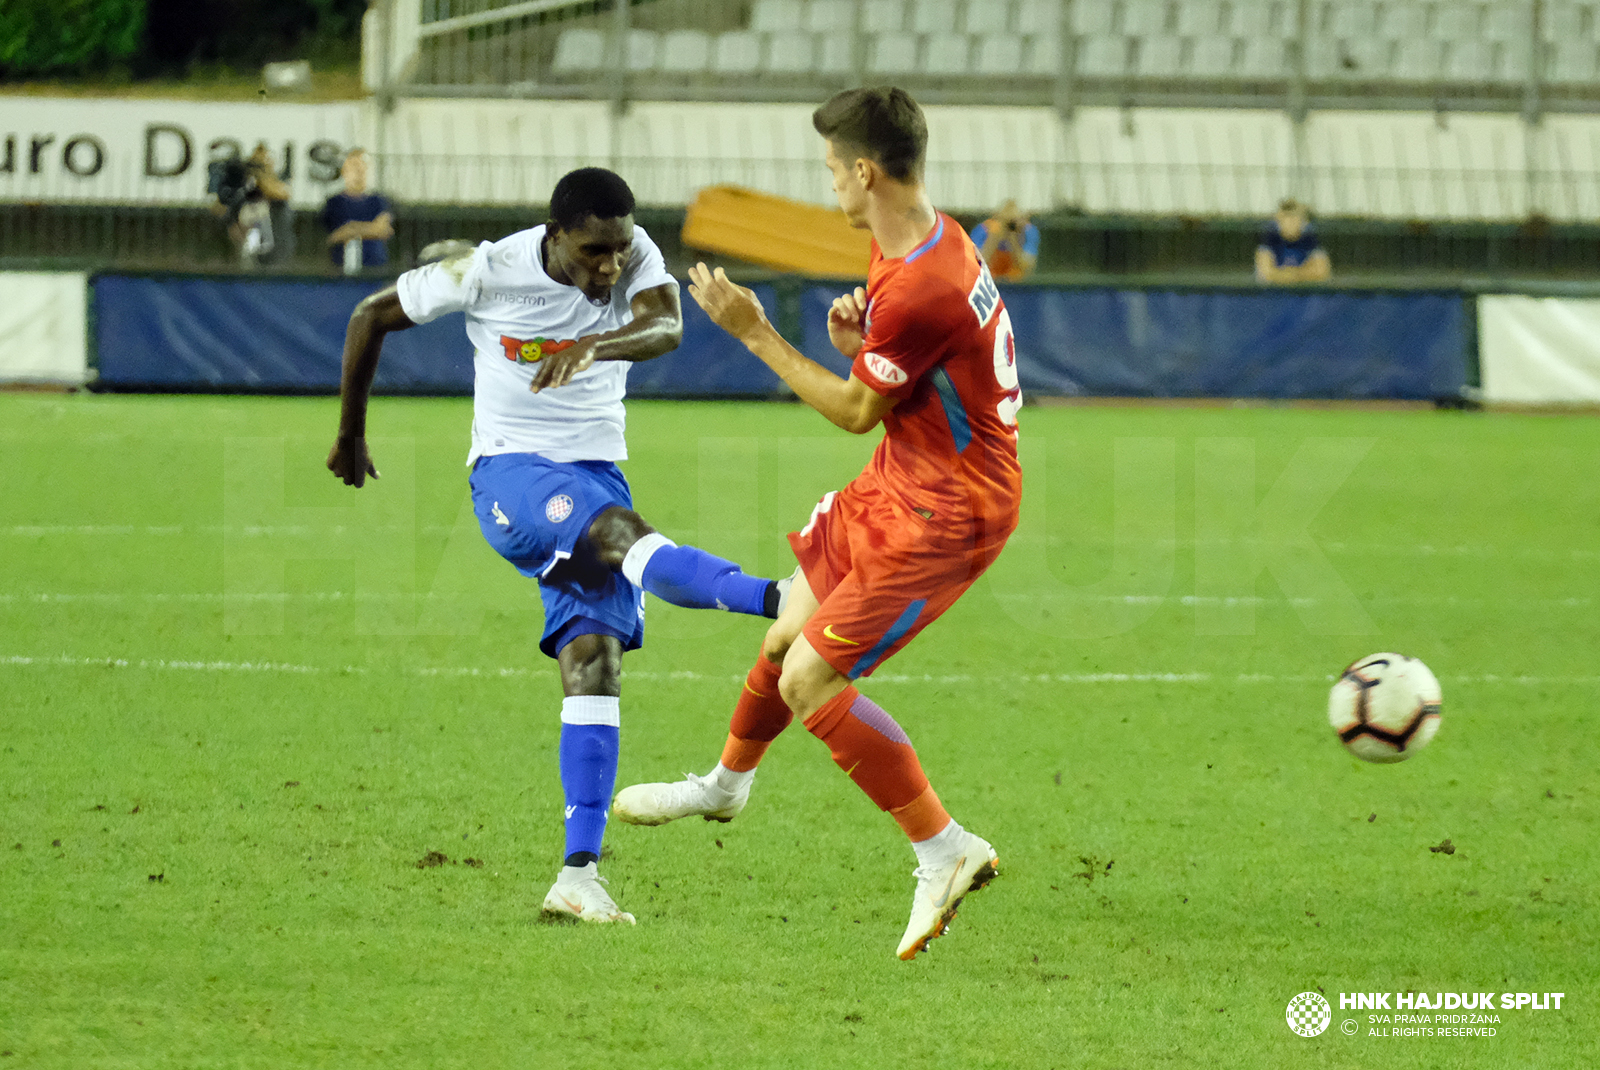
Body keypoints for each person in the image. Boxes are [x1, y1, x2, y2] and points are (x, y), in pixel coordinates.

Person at [613, 87, 1024, 961]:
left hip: (949, 509)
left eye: (833, 167)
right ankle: (725, 786)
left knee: (809, 681)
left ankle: (944, 849)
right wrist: (860, 340)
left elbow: (853, 410)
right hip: (906, 477)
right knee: (782, 639)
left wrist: (756, 331)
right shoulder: (921, 241)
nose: (827, 180)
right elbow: (902, 375)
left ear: (865, 171)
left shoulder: (921, 279)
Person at [325, 167, 789, 926]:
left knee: (593, 661)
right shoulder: (486, 269)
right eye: (591, 251)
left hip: (595, 474)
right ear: (554, 237)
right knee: (625, 540)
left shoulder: (633, 256)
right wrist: (350, 432)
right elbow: (370, 315)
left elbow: (667, 326)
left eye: (617, 248)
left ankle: (578, 876)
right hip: (511, 477)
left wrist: (598, 345)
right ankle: (781, 597)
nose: (607, 265)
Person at [322, 148, 394, 274]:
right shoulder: (334, 202)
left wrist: (352, 228)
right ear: (344, 170)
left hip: (376, 269)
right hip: (341, 270)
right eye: (354, 167)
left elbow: (382, 229)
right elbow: (335, 236)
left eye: (363, 167)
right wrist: (370, 228)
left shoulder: (379, 201)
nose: (359, 171)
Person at [1255, 198, 1331, 283]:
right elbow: (1265, 273)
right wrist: (1299, 274)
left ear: (1303, 221)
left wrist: (1288, 274)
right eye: (1286, 218)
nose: (1290, 223)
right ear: (1278, 220)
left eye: (1294, 218)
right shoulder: (1269, 240)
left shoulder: (1311, 240)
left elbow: (1321, 272)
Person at [969, 199, 1039, 280]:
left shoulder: (1028, 232)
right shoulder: (983, 230)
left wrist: (1014, 239)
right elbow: (976, 266)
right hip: (989, 279)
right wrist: (993, 238)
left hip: (1016, 283)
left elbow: (1027, 268)